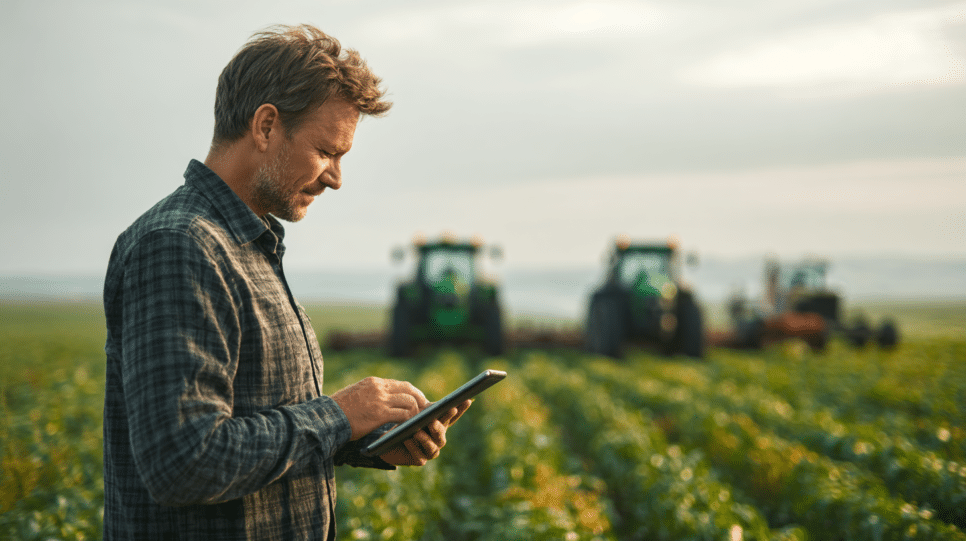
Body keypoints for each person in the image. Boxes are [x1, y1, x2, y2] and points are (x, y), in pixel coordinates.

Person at [102, 24, 470, 540]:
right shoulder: (179, 246)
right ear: (267, 126)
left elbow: (258, 425)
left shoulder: (249, 246)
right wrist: (341, 414)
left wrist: (362, 440)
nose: (336, 177)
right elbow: (184, 461)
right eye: (327, 151)